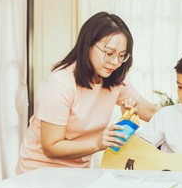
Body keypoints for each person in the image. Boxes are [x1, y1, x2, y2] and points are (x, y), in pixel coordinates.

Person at [16, 12, 159, 174]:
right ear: (88, 45)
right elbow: (51, 146)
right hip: (39, 172)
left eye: (121, 56)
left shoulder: (115, 82)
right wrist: (98, 142)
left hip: (79, 172)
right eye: (109, 53)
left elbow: (152, 112)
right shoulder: (60, 84)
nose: (115, 62)